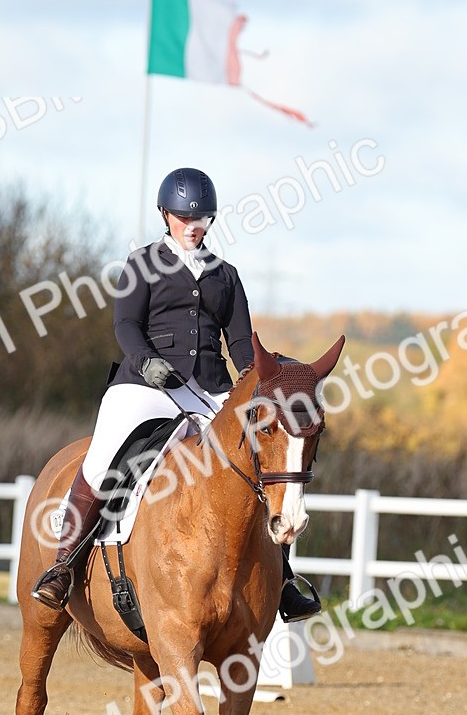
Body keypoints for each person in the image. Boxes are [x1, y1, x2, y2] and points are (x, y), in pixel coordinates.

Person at [32, 167, 320, 622]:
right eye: (185, 217)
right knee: (104, 455)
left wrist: (253, 379)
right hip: (146, 384)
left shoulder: (226, 276)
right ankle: (62, 565)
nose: (193, 225)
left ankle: (282, 578)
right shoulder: (142, 264)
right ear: (165, 215)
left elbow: (242, 342)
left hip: (210, 390)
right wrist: (146, 360)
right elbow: (125, 324)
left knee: (257, 461)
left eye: (202, 218)